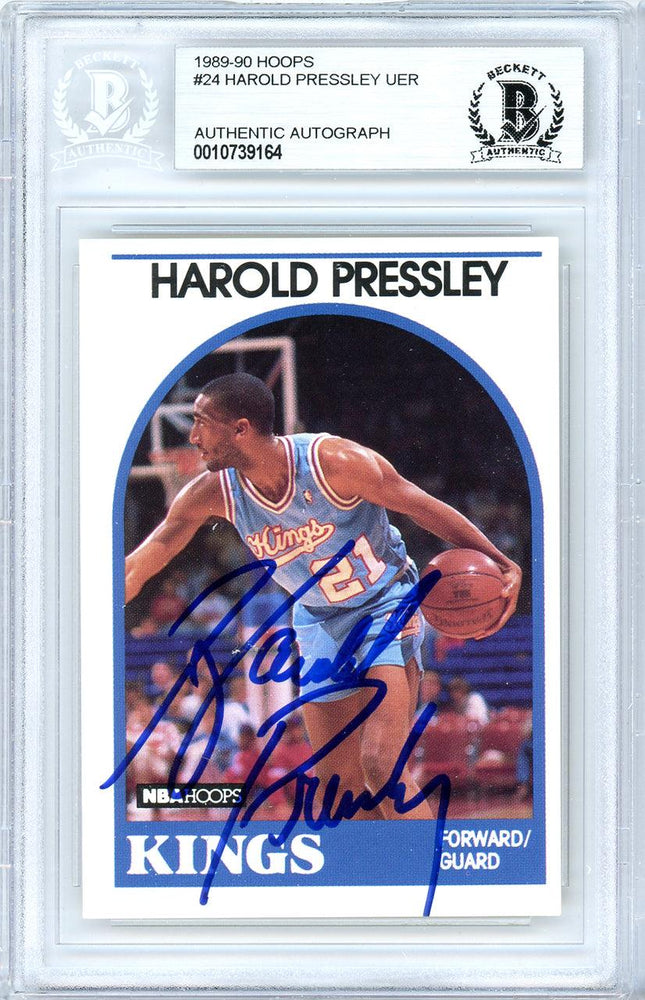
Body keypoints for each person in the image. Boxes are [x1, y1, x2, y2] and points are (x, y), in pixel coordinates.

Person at [125, 373, 521, 819]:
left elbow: (419, 505)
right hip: (317, 619)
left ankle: (426, 864)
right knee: (337, 789)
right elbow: (144, 559)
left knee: (381, 767)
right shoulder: (213, 492)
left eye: (202, 422)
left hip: (384, 605)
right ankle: (369, 863)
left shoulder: (334, 462)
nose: (193, 436)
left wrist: (499, 560)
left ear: (241, 429)